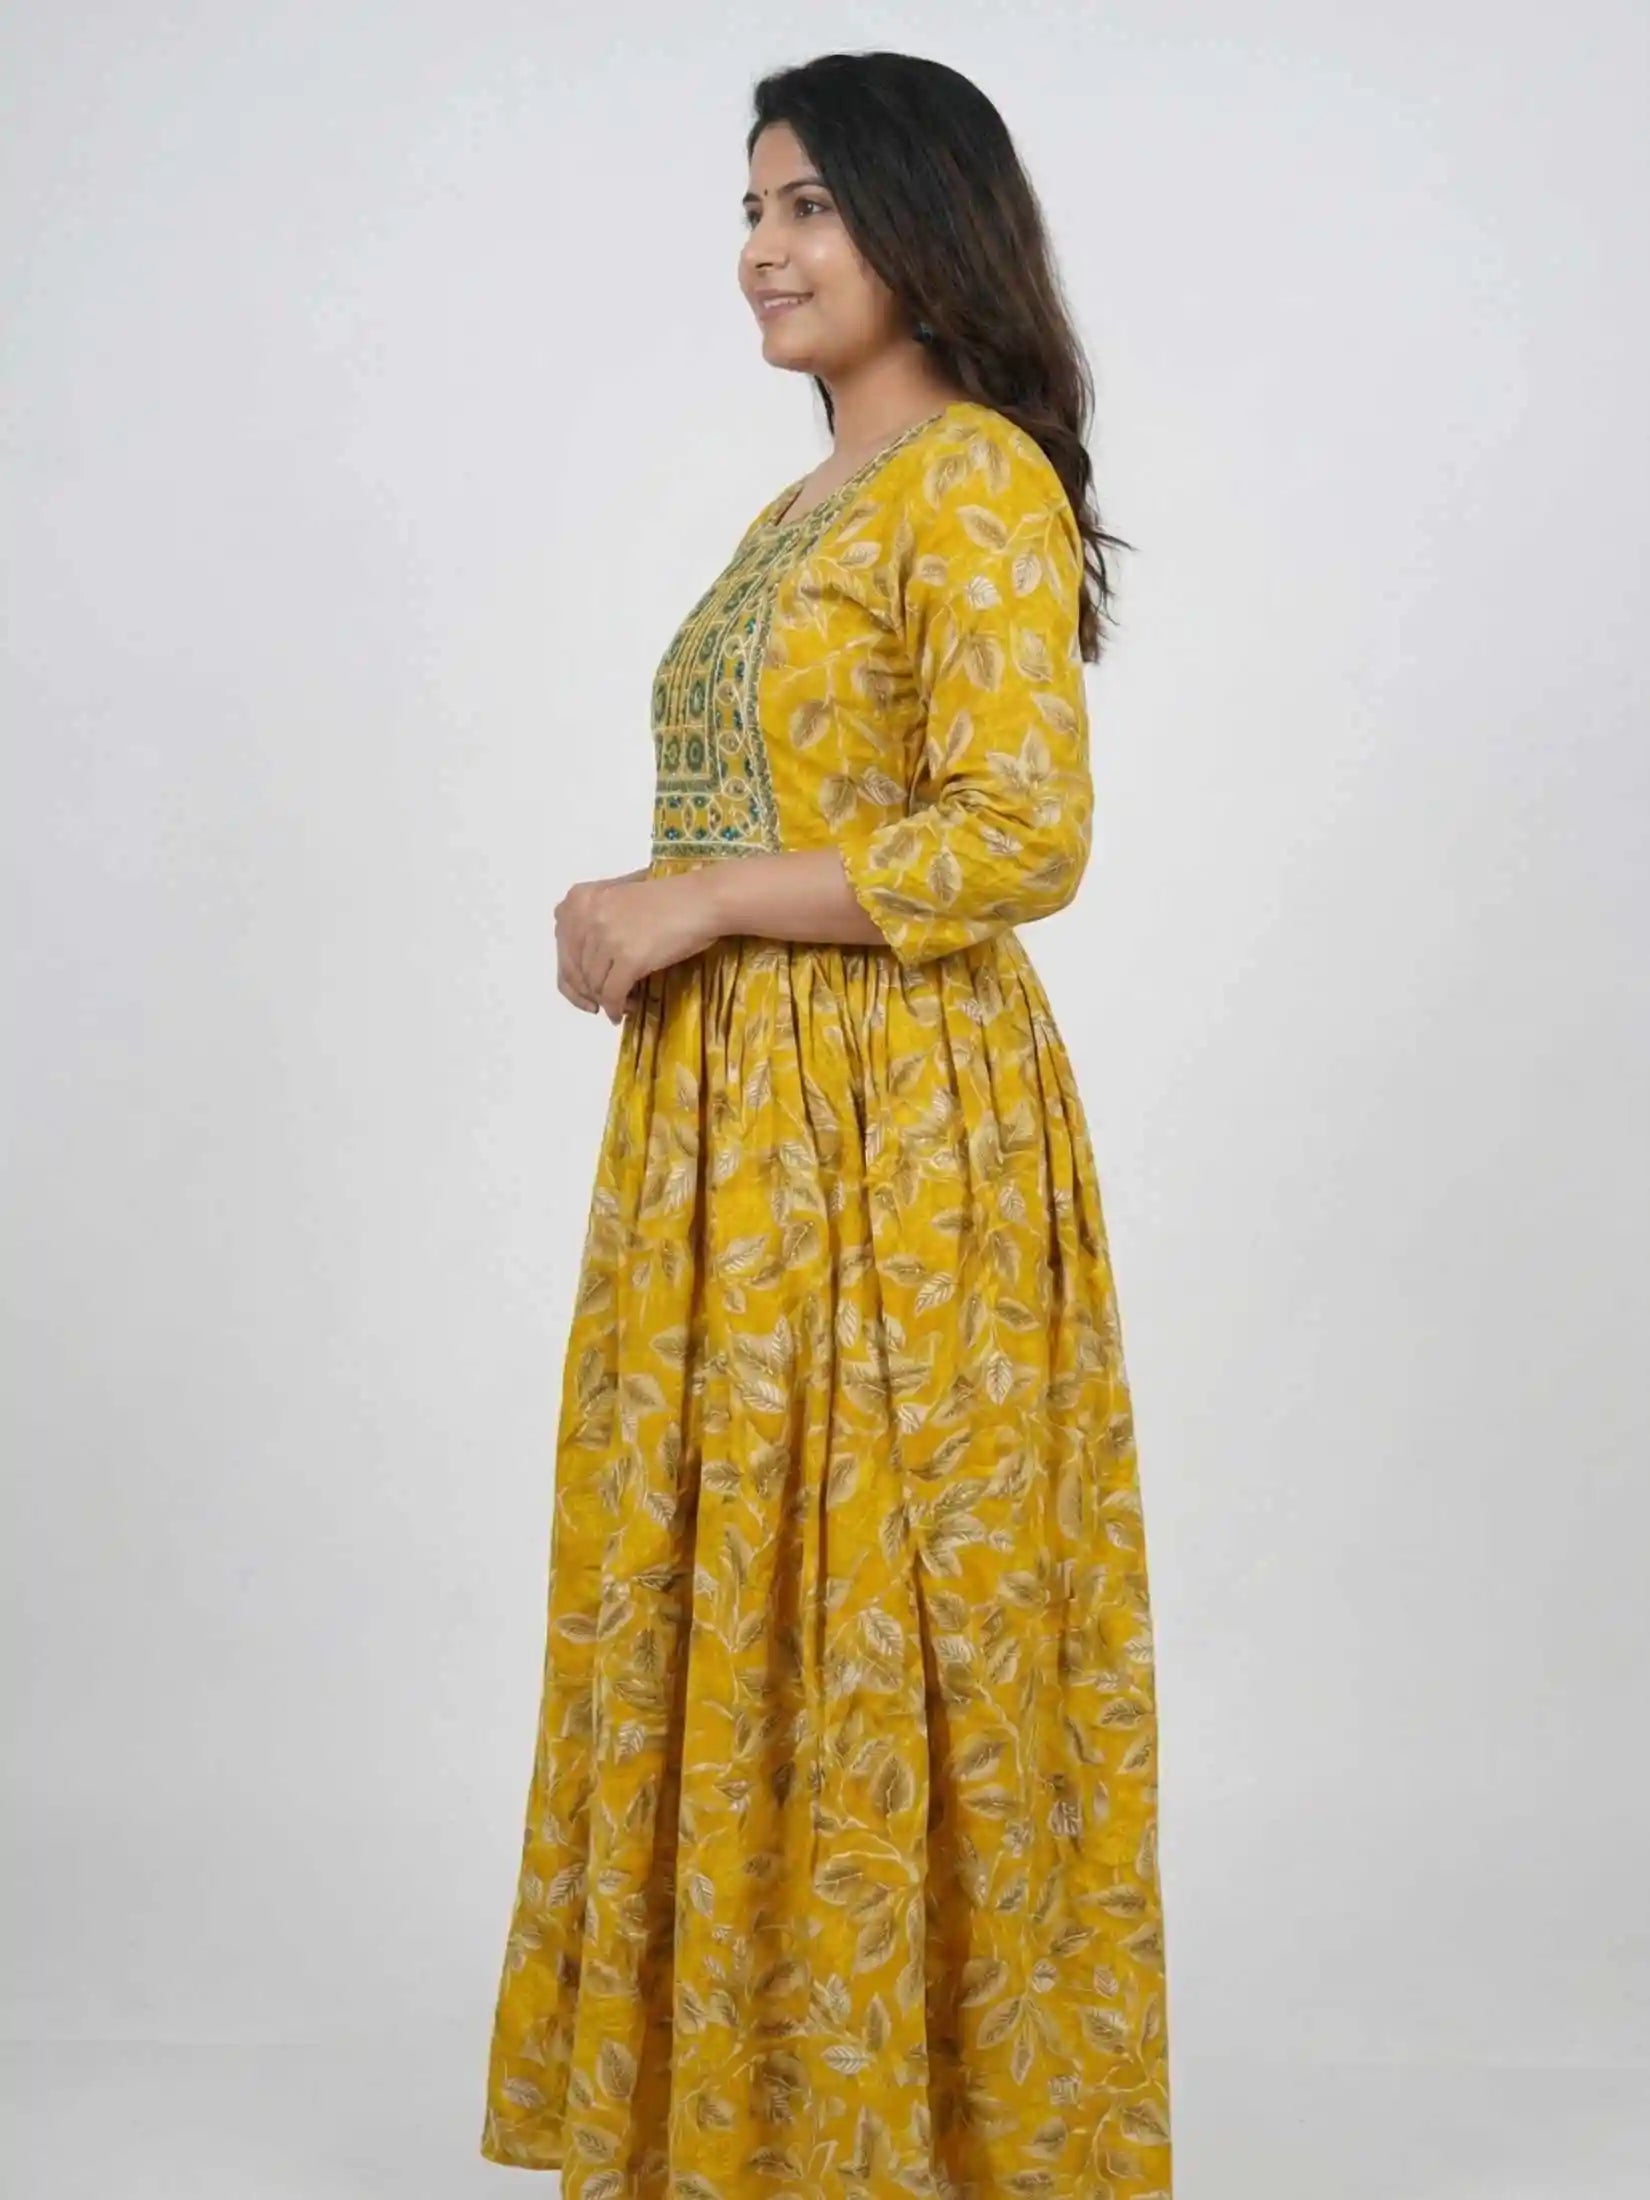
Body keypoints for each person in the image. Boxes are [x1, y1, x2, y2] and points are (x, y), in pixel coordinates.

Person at [479, 48, 1173, 2200]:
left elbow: (1023, 830)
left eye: (809, 209)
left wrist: (690, 898)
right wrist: (668, 909)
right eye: (753, 208)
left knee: (883, 1611)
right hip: (738, 1145)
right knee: (738, 1606)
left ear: (921, 225)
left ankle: (929, 2140)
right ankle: (764, 2128)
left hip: (894, 1140)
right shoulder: (801, 507)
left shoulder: (972, 479)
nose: (762, 251)